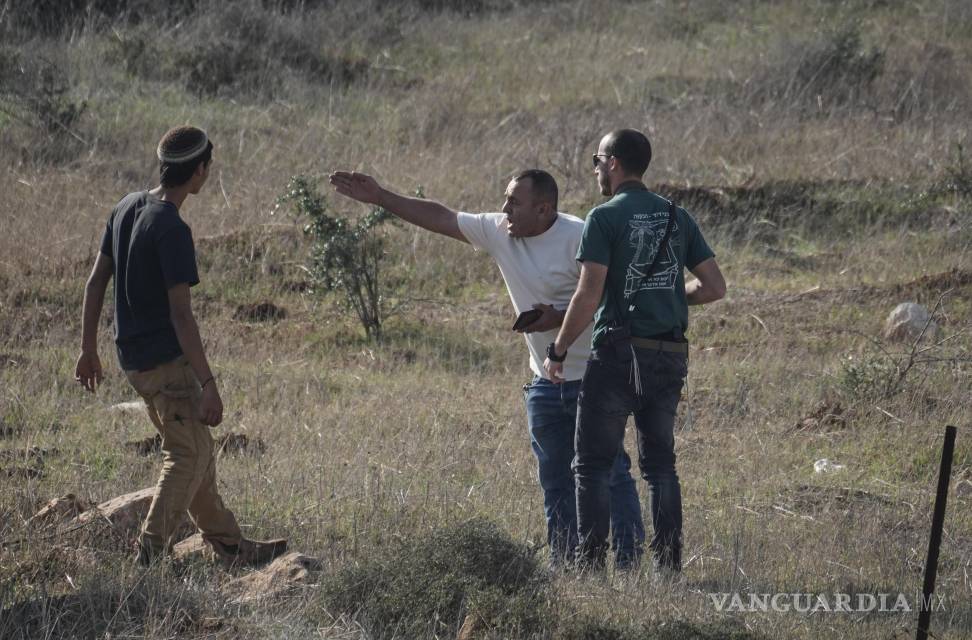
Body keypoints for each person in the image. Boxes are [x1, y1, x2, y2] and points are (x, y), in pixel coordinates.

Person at [329, 168, 645, 568]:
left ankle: (630, 565)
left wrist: (558, 319)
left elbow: (615, 298)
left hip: (596, 379)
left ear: (544, 208)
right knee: (555, 482)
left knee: (609, 474)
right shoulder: (500, 230)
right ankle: (569, 566)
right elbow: (442, 217)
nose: (503, 209)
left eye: (514, 202)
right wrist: (381, 197)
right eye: (505, 199)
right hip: (546, 380)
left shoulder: (580, 235)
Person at [74, 126, 287, 567]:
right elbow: (181, 315)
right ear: (200, 171)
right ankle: (149, 556)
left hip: (132, 360)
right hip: (165, 365)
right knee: (186, 453)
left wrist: (87, 348)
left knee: (197, 447)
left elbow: (96, 282)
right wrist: (208, 382)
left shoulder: (127, 206)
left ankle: (229, 545)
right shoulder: (171, 227)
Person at [544, 128, 726, 575]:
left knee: (590, 464)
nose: (595, 169)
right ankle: (668, 568)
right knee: (661, 466)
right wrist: (671, 297)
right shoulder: (675, 216)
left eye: (597, 160)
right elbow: (714, 287)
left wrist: (559, 347)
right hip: (668, 355)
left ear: (613, 163)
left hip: (618, 357)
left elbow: (589, 294)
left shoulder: (603, 217)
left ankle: (591, 569)